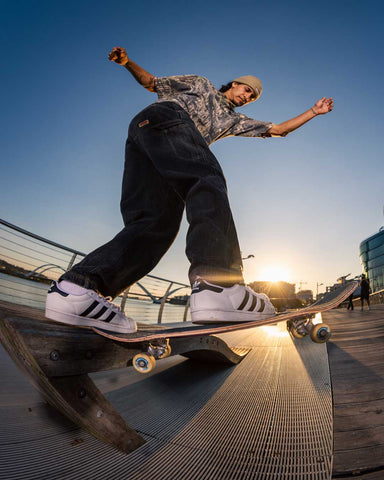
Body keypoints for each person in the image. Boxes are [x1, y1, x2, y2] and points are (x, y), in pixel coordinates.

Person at [45, 47, 334, 333]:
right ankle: (218, 284)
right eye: (246, 89)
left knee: (155, 224)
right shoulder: (202, 84)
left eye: (252, 96)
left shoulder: (235, 120)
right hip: (163, 118)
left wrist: (313, 111)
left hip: (151, 143)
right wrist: (127, 62)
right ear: (234, 83)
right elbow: (152, 84)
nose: (246, 97)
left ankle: (78, 288)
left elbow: (279, 129)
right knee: (206, 179)